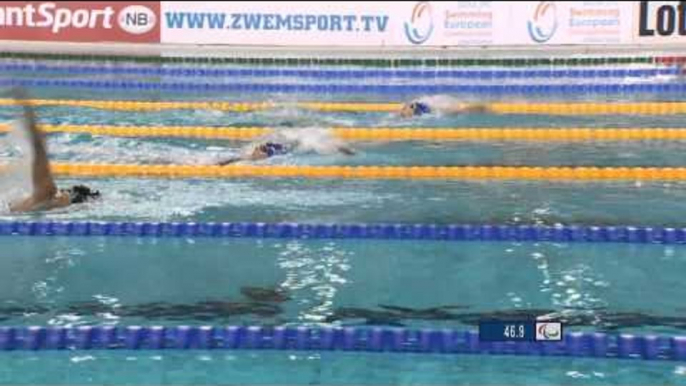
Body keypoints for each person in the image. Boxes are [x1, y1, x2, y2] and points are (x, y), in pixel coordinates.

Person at [8, 89, 100, 213]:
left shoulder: (46, 195)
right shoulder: (46, 195)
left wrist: (26, 107)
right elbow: (39, 149)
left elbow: (39, 149)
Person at [217, 139, 355, 166]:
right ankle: (340, 148)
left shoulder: (267, 157)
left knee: (311, 145)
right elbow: (235, 160)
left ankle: (340, 148)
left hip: (285, 149)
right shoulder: (251, 157)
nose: (257, 151)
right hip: (283, 148)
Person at [399, 99, 491, 118]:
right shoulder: (416, 111)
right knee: (462, 110)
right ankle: (481, 108)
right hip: (441, 110)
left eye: (407, 114)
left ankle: (482, 107)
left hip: (442, 109)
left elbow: (413, 104)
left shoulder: (416, 106)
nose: (408, 117)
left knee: (462, 110)